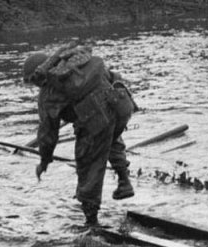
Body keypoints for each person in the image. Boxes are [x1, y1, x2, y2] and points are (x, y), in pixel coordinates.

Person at [23, 45, 135, 226]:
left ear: (37, 78)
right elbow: (113, 77)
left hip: (97, 120)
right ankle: (124, 181)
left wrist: (44, 161)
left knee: (88, 164)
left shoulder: (49, 91)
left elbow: (48, 133)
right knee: (111, 138)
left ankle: (91, 219)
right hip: (121, 105)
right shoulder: (79, 65)